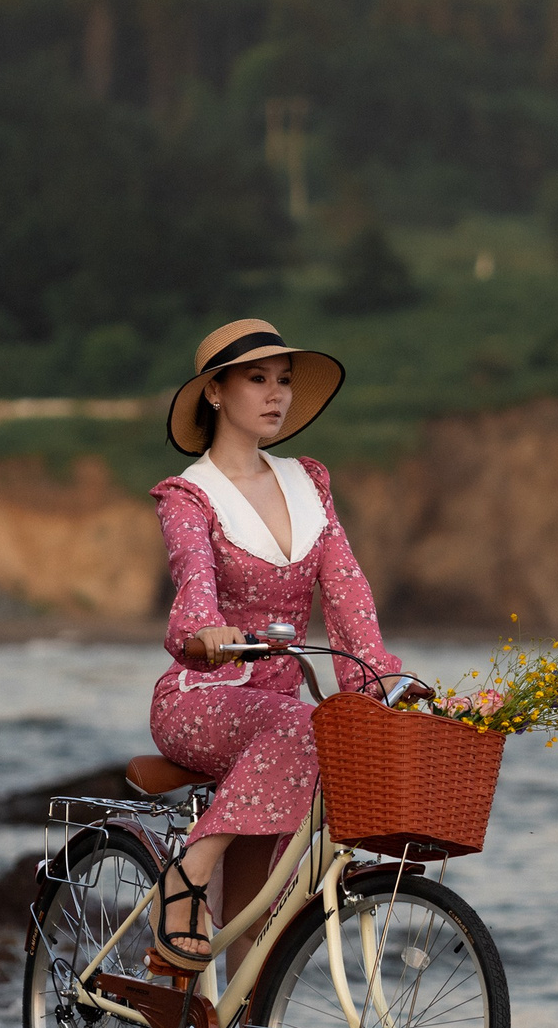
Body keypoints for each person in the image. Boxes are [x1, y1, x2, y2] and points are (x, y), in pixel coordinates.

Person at [145, 319, 406, 992]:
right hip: (203, 700)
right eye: (257, 379)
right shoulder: (189, 495)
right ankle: (187, 876)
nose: (276, 394)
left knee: (260, 911)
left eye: (284, 380)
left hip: (281, 714)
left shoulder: (307, 482)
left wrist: (379, 681)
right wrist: (204, 630)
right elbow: (193, 574)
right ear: (214, 392)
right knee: (302, 727)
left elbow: (347, 594)